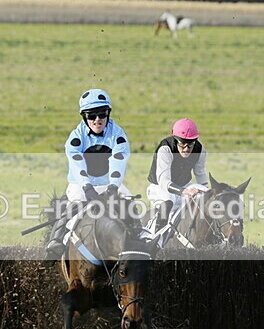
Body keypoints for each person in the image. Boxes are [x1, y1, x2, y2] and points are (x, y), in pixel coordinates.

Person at [45, 88, 132, 260]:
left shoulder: (118, 135)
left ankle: (138, 235)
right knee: (76, 202)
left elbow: (118, 160)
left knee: (128, 199)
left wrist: (114, 186)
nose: (97, 120)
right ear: (84, 117)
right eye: (92, 116)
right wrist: (87, 187)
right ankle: (56, 240)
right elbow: (77, 165)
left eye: (101, 115)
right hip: (81, 184)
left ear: (108, 113)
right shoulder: (75, 137)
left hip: (108, 183)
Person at [146, 118, 208, 233]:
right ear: (175, 139)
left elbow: (201, 175)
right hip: (159, 188)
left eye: (190, 145)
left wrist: (207, 193)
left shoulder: (200, 150)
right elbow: (164, 182)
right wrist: (184, 191)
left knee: (205, 197)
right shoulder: (165, 149)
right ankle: (155, 235)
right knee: (169, 201)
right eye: (182, 144)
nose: (186, 149)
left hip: (184, 185)